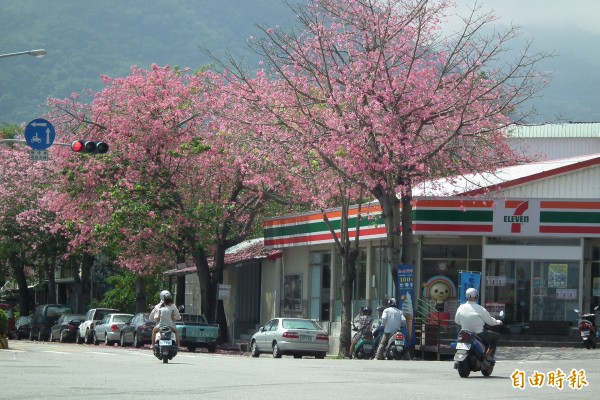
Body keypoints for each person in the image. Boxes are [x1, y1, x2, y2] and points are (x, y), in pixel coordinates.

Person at [454, 288, 502, 360]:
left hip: (464, 333)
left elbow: (457, 321)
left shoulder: (460, 307)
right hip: (478, 334)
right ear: (476, 296)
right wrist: (498, 322)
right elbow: (490, 322)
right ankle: (488, 356)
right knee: (496, 336)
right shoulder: (480, 309)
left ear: (466, 296)